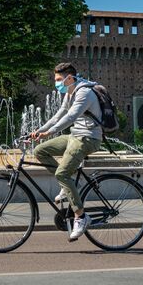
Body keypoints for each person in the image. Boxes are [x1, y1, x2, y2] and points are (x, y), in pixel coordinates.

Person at [30, 63, 102, 242]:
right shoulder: (70, 92)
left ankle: (81, 217)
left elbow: (71, 117)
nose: (56, 84)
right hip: (74, 136)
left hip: (88, 138)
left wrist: (51, 132)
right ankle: (67, 186)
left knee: (62, 173)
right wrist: (40, 130)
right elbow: (60, 113)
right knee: (40, 151)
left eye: (59, 80)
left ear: (70, 78)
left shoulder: (84, 92)